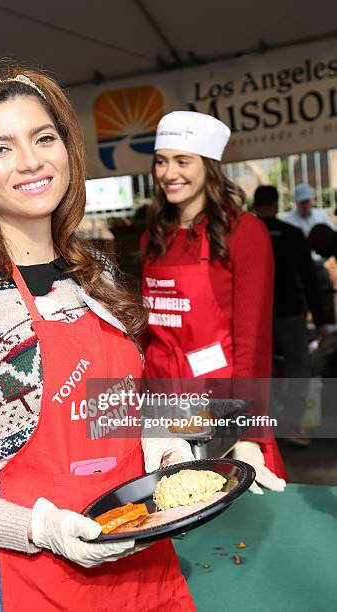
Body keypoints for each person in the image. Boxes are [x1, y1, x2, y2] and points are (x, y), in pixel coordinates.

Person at [0, 64, 196, 611]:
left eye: (43, 138)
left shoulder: (96, 275)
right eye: (0, 149)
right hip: (33, 579)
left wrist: (153, 441)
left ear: (66, 150)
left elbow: (109, 405)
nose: (31, 161)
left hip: (142, 560)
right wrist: (38, 528)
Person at [140, 111, 287, 494]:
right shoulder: (154, 238)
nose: (169, 172)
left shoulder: (244, 233)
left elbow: (252, 345)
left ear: (208, 167)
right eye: (161, 161)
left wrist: (251, 434)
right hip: (164, 412)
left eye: (182, 161)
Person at [253, 185, 329, 445]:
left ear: (255, 206)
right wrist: (320, 320)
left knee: (263, 371)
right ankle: (293, 424)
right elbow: (310, 280)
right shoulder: (292, 233)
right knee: (298, 368)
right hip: (291, 312)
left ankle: (267, 425)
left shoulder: (244, 235)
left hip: (256, 317)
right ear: (276, 205)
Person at [285, 183, 336, 324]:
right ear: (296, 202)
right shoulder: (289, 221)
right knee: (304, 302)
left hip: (322, 265)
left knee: (327, 301)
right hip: (300, 269)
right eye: (302, 202)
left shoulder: (321, 215)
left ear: (312, 200)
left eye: (307, 201)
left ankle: (329, 324)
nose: (305, 205)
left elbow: (331, 239)